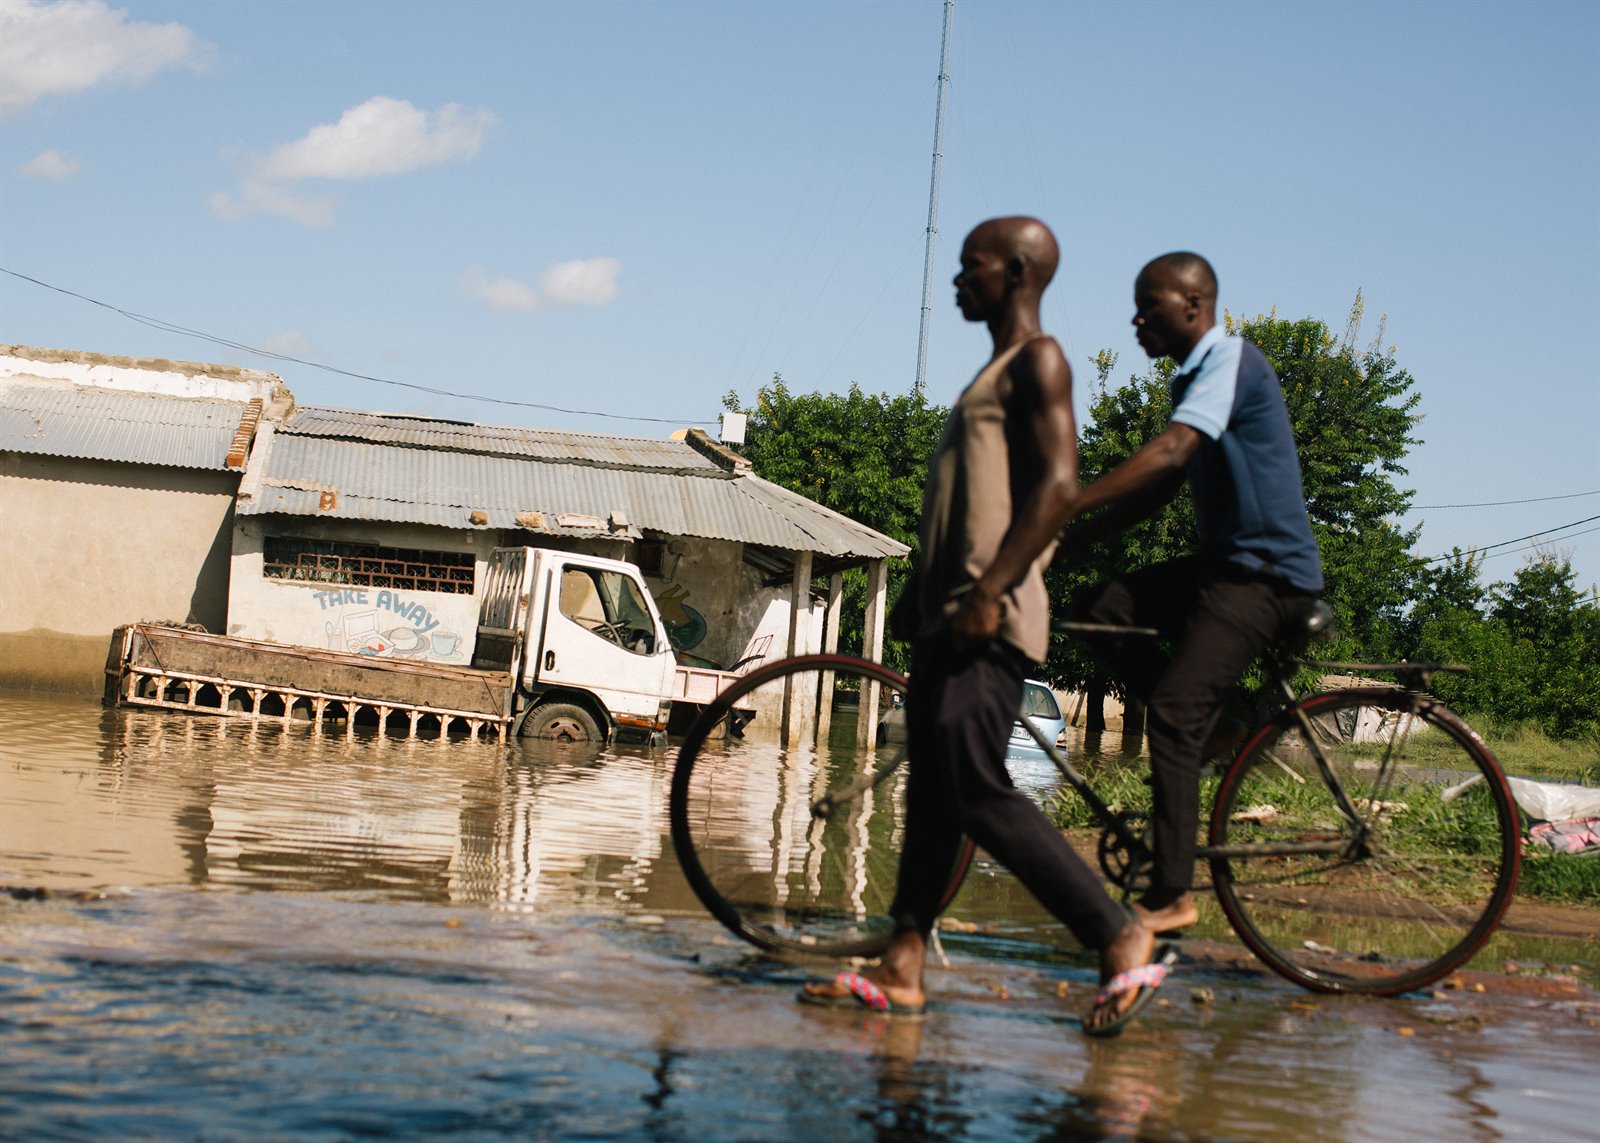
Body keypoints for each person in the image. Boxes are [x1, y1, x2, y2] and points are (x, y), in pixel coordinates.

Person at [801, 217, 1175, 1037]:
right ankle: (901, 965)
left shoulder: (1039, 361)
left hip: (991, 616)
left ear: (1014, 271)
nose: (957, 281)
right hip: (950, 615)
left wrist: (990, 588)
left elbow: (1059, 488)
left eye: (970, 267)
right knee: (936, 796)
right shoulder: (993, 371)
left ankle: (1116, 934)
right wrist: (922, 600)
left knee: (974, 787)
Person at [1060, 252, 1324, 935]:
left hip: (1266, 576)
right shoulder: (1192, 382)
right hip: (1224, 568)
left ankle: (1171, 893)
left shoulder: (1230, 360)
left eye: (1148, 305)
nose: (1136, 318)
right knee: (1097, 610)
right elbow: (1154, 494)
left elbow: (1171, 453)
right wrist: (1072, 541)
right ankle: (1222, 725)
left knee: (1174, 714)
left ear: (1194, 306)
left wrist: (1068, 501)